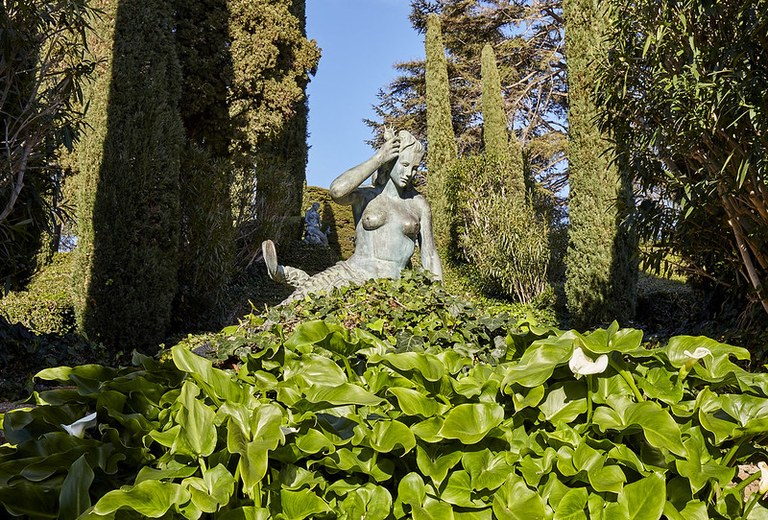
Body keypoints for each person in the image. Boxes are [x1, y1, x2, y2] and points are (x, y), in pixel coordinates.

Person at [262, 129, 442, 303]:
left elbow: (430, 254)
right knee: (298, 301)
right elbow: (337, 190)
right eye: (404, 165)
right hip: (352, 272)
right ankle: (286, 275)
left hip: (393, 285)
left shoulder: (418, 203)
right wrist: (378, 158)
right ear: (391, 161)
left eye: (415, 168)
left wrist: (438, 297)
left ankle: (288, 274)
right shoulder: (366, 196)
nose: (410, 173)